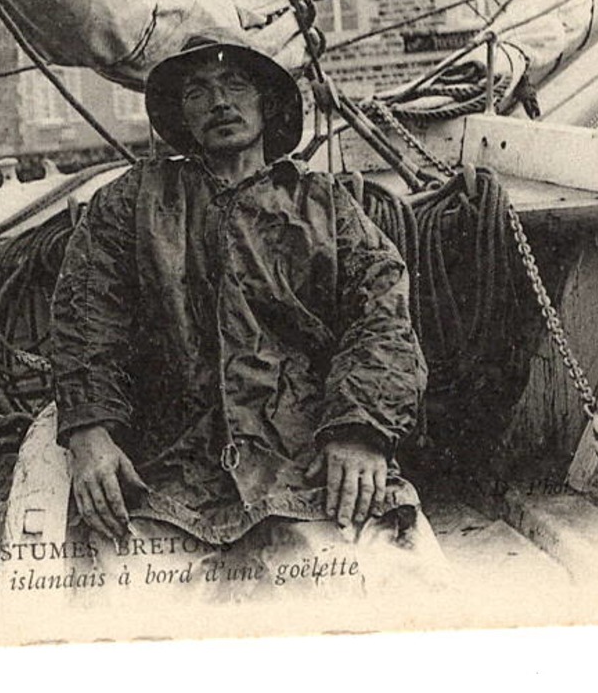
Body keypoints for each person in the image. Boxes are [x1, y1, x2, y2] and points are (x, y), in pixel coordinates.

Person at [50, 37, 438, 598]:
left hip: (308, 460)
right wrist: (90, 434)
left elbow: (382, 315)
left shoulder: (325, 205)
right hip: (169, 469)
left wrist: (360, 432)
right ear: (180, 114)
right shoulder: (131, 203)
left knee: (387, 599)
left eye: (235, 85)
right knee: (119, 616)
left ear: (268, 104)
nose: (219, 102)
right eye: (198, 91)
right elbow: (87, 316)